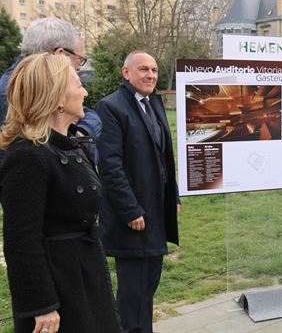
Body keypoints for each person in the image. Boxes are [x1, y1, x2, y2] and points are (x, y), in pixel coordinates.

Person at [0, 53, 120, 333]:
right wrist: (42, 306)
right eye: (78, 84)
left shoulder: (69, 145)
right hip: (60, 287)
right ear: (56, 99)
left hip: (86, 275)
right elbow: (20, 241)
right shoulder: (28, 156)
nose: (86, 92)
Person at [95, 50, 180, 333]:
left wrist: (173, 197)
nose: (151, 75)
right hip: (132, 216)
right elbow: (110, 165)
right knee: (132, 293)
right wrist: (130, 209)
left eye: (154, 70)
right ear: (126, 72)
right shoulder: (111, 107)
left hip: (155, 211)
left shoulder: (152, 104)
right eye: (144, 69)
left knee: (148, 286)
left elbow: (165, 157)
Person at [0, 17, 101, 166]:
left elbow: (91, 116)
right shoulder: (15, 94)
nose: (79, 68)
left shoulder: (24, 86)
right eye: (79, 59)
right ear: (59, 54)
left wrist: (79, 132)